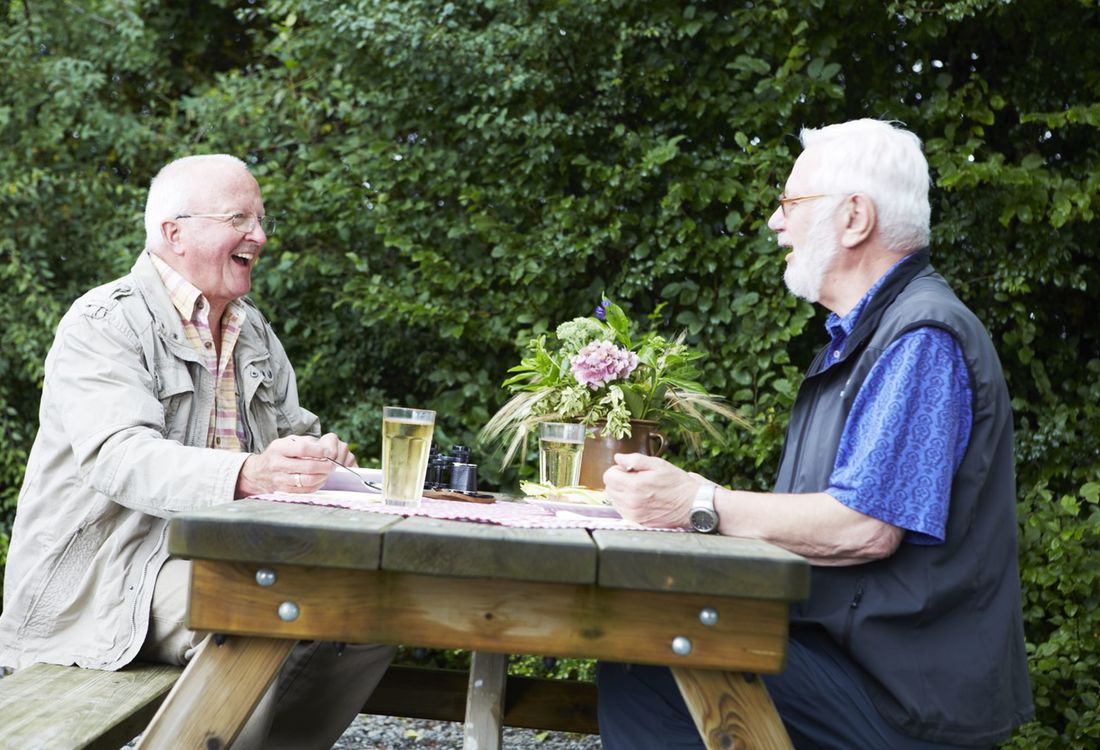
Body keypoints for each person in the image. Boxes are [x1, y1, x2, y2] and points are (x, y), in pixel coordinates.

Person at [596, 120, 1034, 749]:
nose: (777, 223)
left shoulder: (921, 339)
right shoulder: (868, 338)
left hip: (904, 697)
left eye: (790, 204)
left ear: (855, 217)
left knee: (651, 662)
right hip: (864, 666)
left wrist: (697, 503)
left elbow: (864, 528)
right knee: (650, 643)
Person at [0, 154, 393, 749]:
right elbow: (118, 454)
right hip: (110, 577)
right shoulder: (104, 322)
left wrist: (320, 458)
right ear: (173, 232)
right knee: (259, 604)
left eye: (261, 220)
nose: (258, 236)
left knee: (369, 610)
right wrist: (253, 474)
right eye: (239, 218)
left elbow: (295, 434)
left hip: (230, 561)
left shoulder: (252, 330)